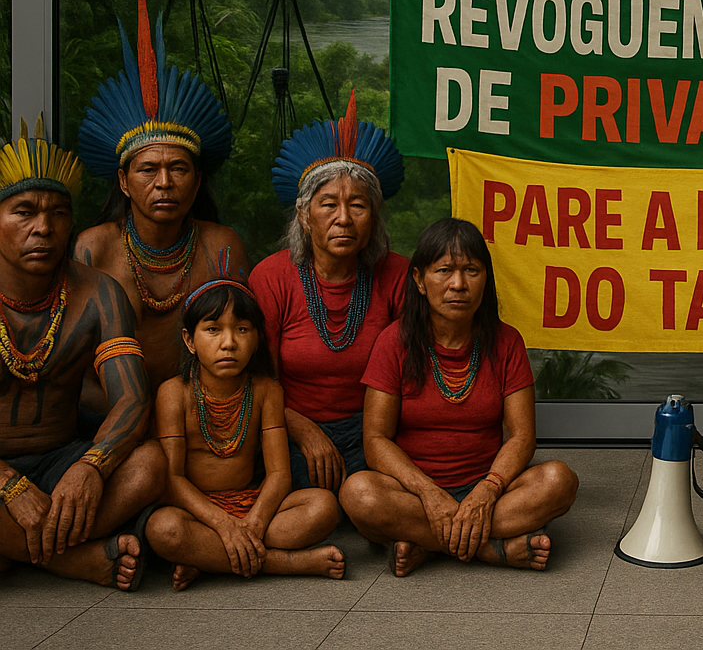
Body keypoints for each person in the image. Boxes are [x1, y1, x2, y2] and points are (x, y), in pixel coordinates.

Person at [339, 218, 578, 577]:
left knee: (559, 481)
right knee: (358, 494)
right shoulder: (394, 342)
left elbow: (522, 435)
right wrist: (429, 494)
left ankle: (428, 543)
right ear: (419, 280)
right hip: (415, 492)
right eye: (444, 270)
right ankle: (490, 549)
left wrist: (487, 491)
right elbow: (375, 439)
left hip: (489, 483)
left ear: (486, 279)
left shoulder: (506, 341)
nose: (458, 284)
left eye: (471, 270)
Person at [0, 121, 165, 590]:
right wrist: (8, 484)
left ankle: (17, 547)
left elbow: (133, 400)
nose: (43, 228)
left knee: (150, 464)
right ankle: (71, 559)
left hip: (61, 459)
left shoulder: (97, 293)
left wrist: (93, 464)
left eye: (58, 213)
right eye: (23, 212)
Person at [74, 0, 249, 416]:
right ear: (124, 181)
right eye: (148, 169)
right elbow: (70, 370)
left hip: (203, 424)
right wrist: (130, 423)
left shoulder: (222, 247)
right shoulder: (92, 249)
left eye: (180, 169)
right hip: (108, 421)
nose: (165, 182)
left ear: (197, 179)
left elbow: (245, 348)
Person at [249, 92, 410, 493]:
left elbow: (413, 373)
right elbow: (255, 380)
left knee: (382, 490)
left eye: (358, 205)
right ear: (304, 215)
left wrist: (376, 439)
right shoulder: (271, 277)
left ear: (373, 217)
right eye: (328, 205)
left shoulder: (399, 275)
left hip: (378, 428)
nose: (343, 218)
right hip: (289, 426)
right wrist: (306, 432)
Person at [145, 268, 346, 589]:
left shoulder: (266, 390)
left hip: (251, 504)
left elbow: (279, 474)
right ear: (189, 340)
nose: (228, 343)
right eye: (212, 329)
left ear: (256, 339)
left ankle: (210, 560)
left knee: (323, 506)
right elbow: (172, 478)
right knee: (164, 529)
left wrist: (254, 522)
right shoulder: (173, 393)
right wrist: (223, 526)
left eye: (242, 329)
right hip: (198, 512)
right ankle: (286, 564)